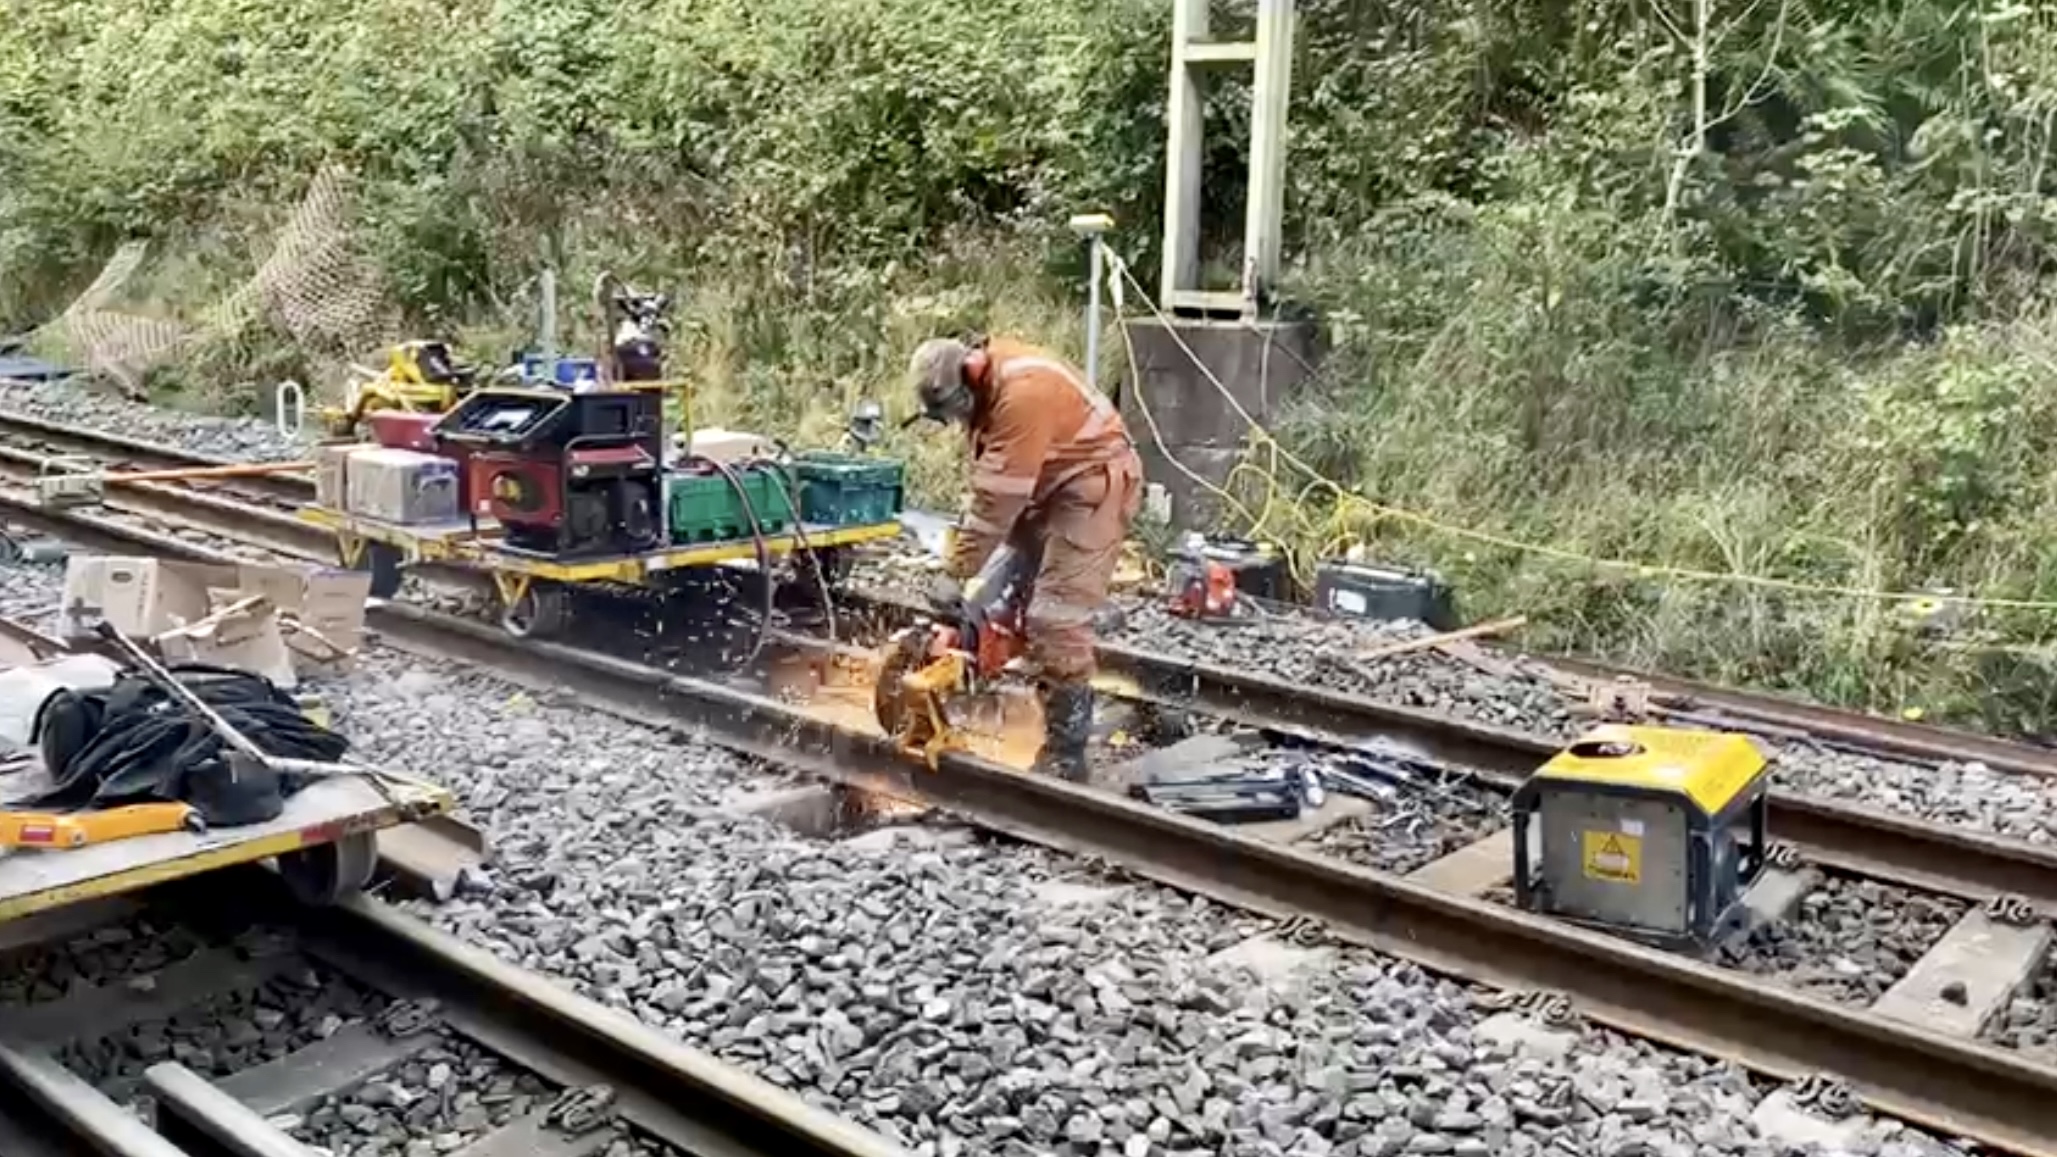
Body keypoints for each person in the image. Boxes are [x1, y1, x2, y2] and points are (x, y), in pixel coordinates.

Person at [906, 332, 1143, 782]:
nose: (956, 423)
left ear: (971, 375)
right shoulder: (987, 388)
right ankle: (1001, 662)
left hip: (1094, 486)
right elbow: (991, 489)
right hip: (1048, 485)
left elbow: (997, 501)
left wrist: (956, 571)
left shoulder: (1020, 397)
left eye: (954, 411)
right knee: (995, 601)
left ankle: (1066, 755)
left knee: (1054, 619)